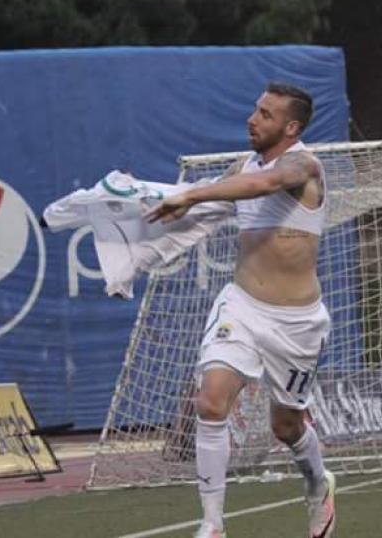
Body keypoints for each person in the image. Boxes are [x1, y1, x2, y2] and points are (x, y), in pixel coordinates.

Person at [146, 82, 336, 538]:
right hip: (242, 305)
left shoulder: (303, 165)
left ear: (291, 127)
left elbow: (265, 184)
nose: (253, 119)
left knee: (286, 425)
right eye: (255, 110)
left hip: (297, 322)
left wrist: (192, 194)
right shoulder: (241, 166)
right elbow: (220, 204)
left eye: (266, 115)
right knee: (210, 401)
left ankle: (317, 482)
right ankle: (212, 526)